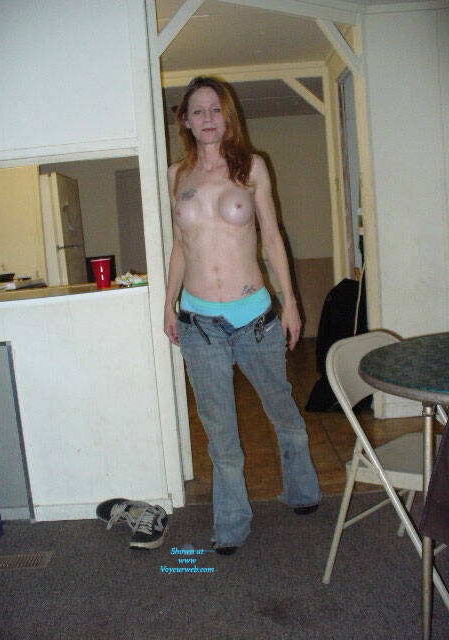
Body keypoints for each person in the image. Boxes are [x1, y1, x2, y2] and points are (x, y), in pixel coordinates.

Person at [164, 76, 321, 555]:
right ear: (186, 121)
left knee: (283, 411)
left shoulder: (251, 167)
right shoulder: (176, 175)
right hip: (198, 324)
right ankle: (231, 524)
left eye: (215, 109)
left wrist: (291, 303)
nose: (208, 118)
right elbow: (180, 246)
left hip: (255, 320)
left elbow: (271, 237)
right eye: (197, 111)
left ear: (227, 115)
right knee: (220, 434)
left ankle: (302, 490)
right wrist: (168, 304)